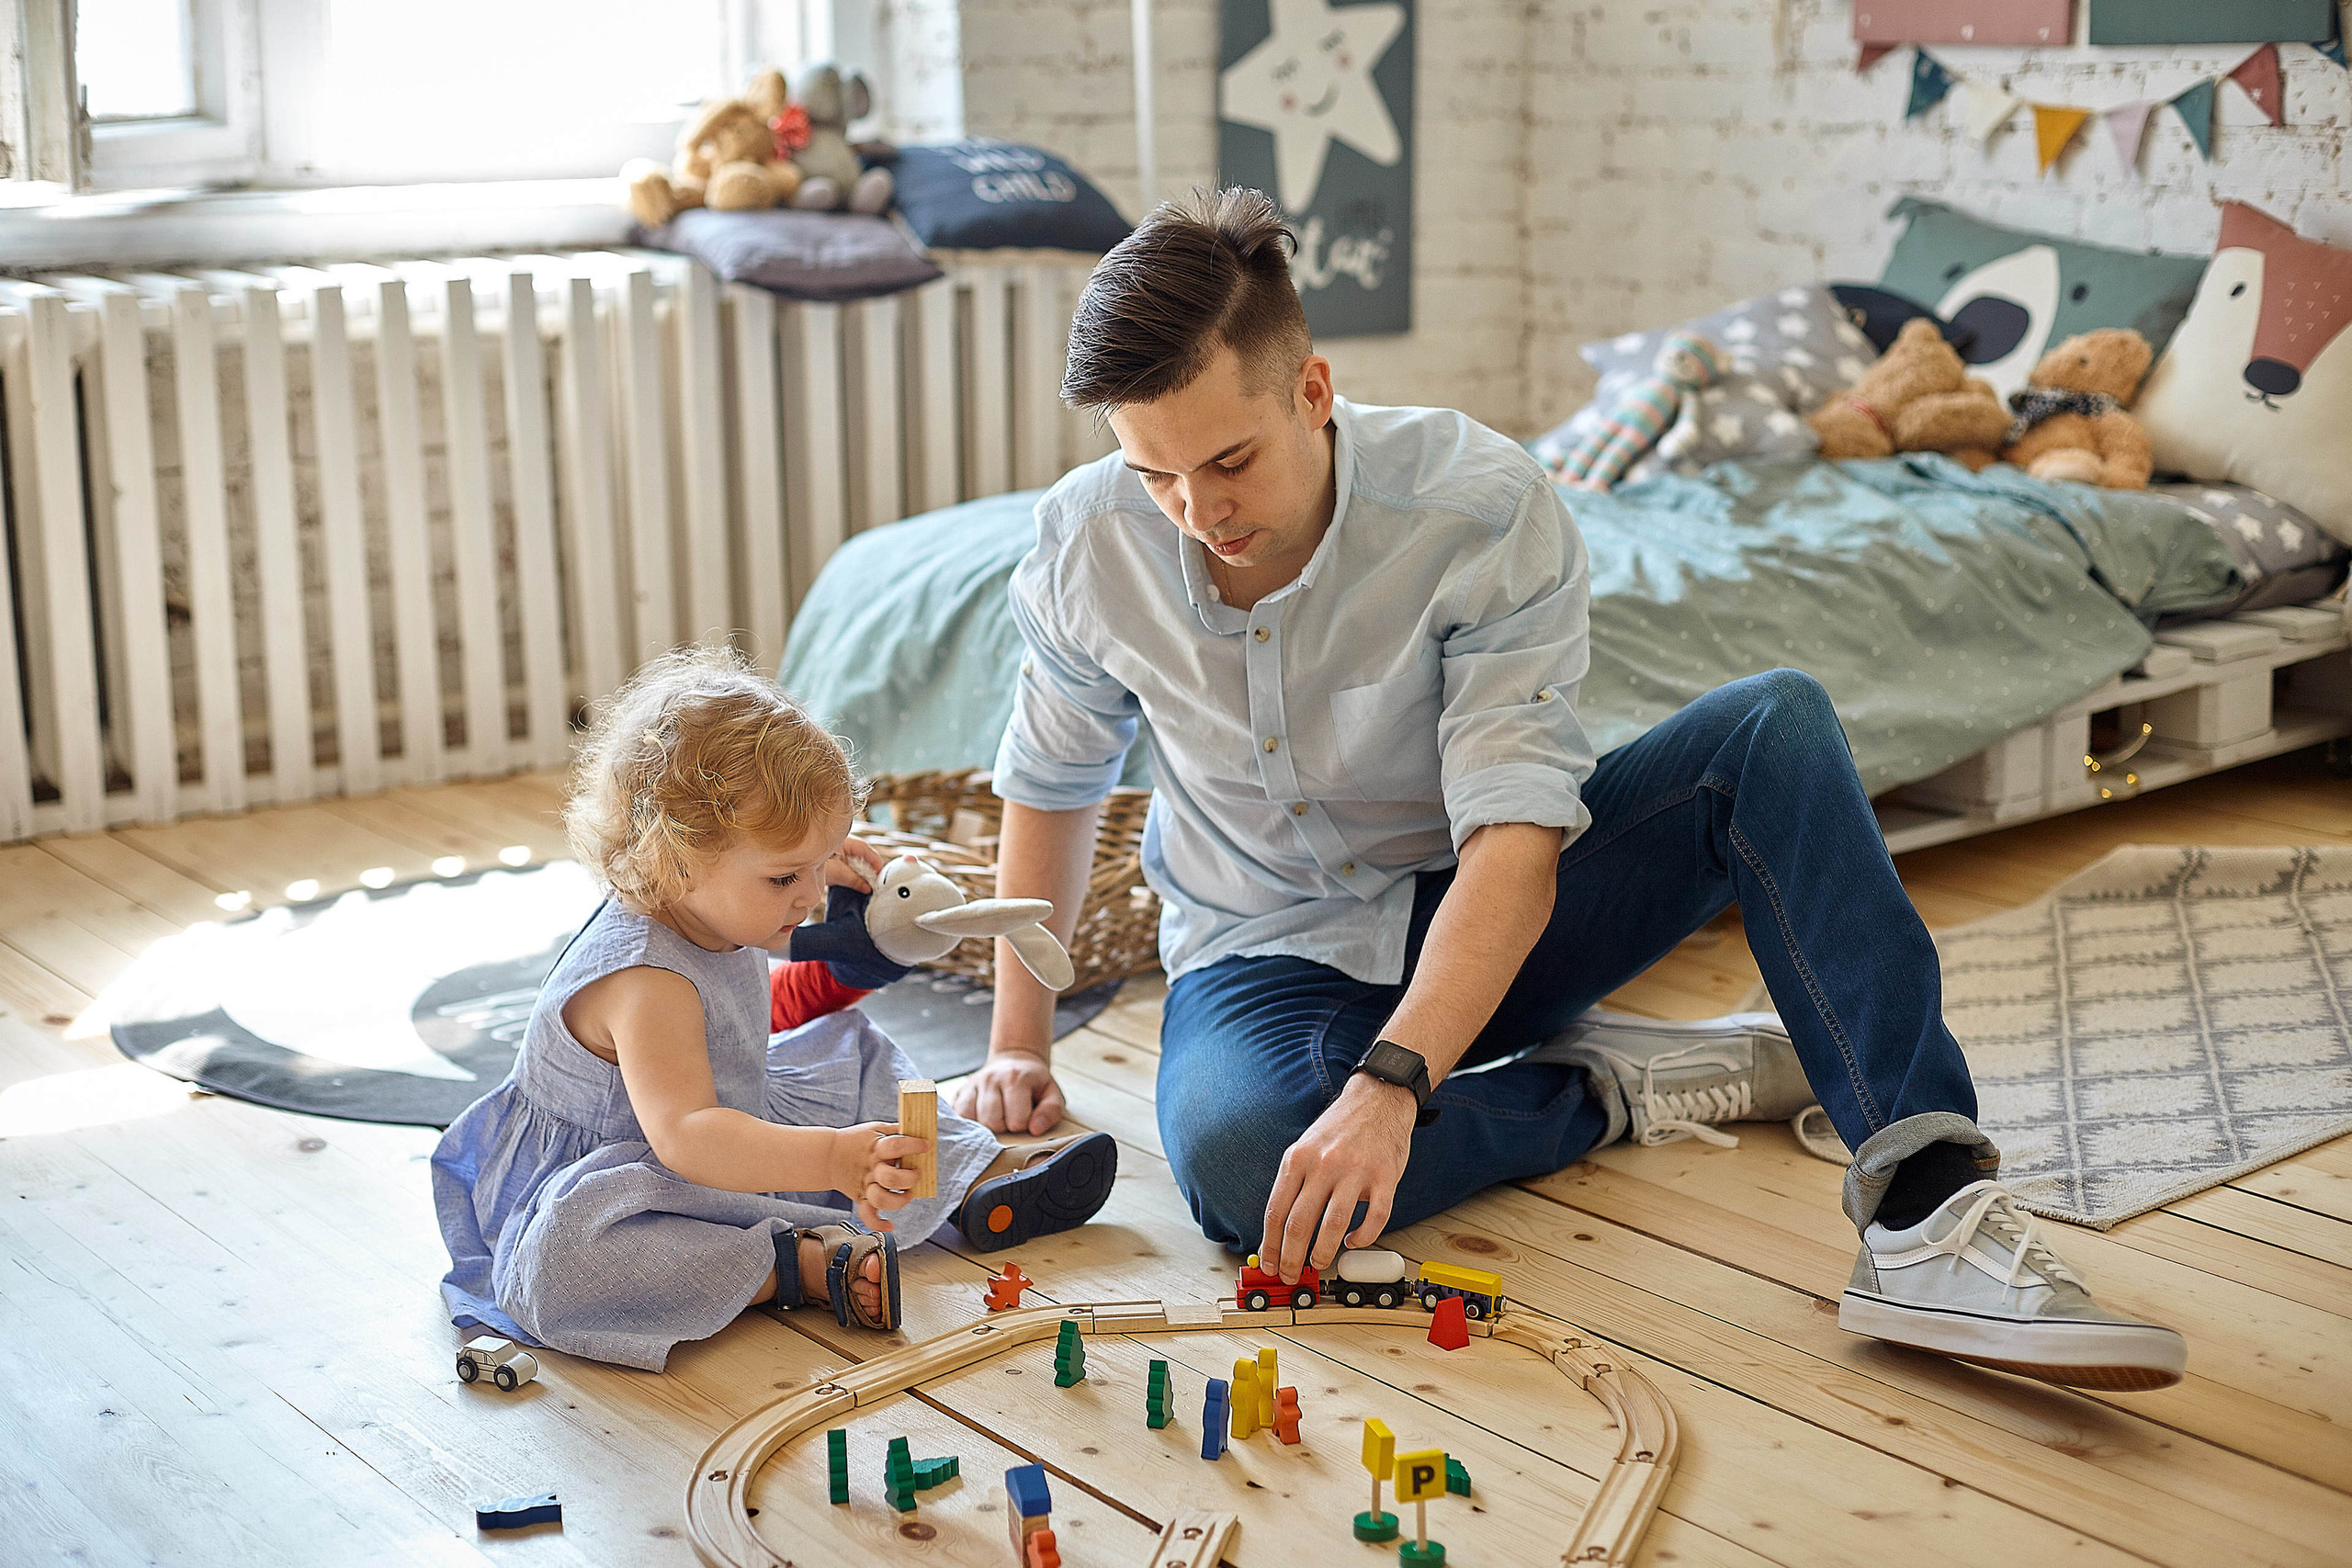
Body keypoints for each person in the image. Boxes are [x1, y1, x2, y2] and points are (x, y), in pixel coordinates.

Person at [950, 186, 2185, 1393]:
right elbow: (1052, 786)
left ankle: (1928, 1208)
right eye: (1155, 475)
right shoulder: (1086, 542)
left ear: (1313, 392)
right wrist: (1015, 1043)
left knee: (1776, 726)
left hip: (1490, 913)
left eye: (1228, 461)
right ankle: (1613, 1088)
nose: (1195, 512)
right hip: (1263, 945)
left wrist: (1389, 1085)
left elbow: (1512, 837)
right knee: (1241, 1173)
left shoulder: (1478, 506)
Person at [431, 646, 1116, 1372]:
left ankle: (972, 1176)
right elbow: (689, 1138)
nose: (812, 893)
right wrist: (830, 1154)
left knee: (850, 1049)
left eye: (820, 864)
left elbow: (776, 997)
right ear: (678, 859)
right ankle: (790, 1264)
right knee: (566, 1263)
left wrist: (853, 892)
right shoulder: (643, 979)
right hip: (625, 1175)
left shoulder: (723, 900)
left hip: (734, 1119)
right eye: (789, 875)